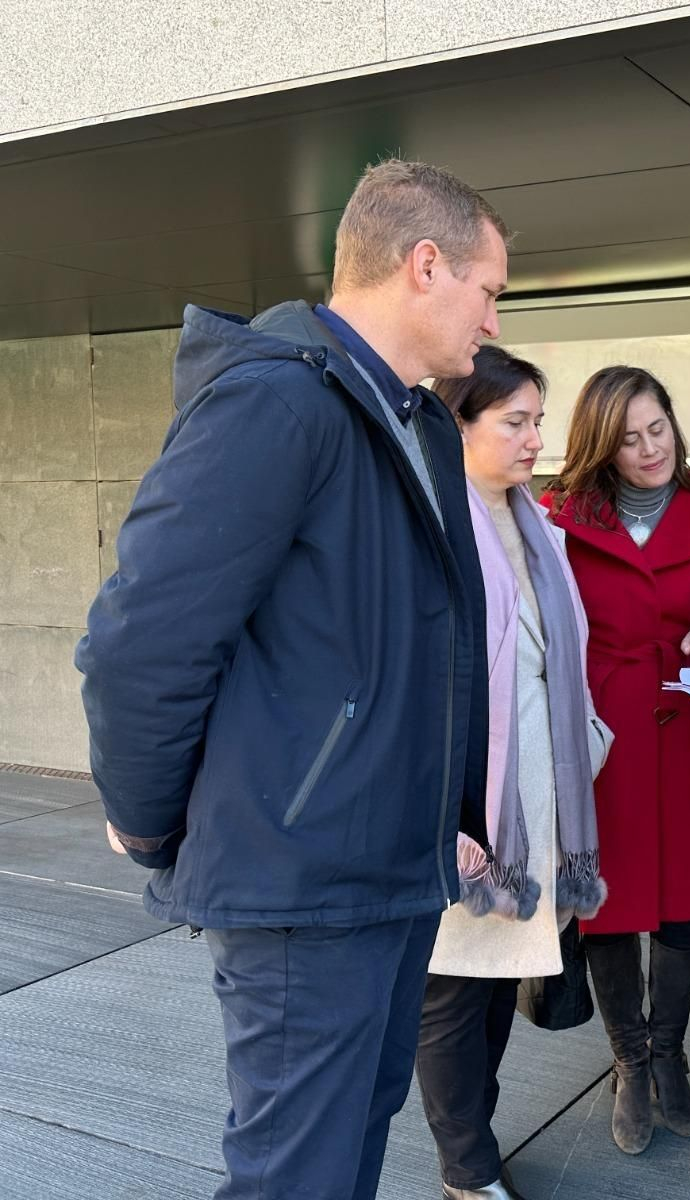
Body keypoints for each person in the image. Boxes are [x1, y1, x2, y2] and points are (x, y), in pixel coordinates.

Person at [75, 159, 507, 1200]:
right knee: (294, 1178)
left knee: (347, 1152)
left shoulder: (417, 426)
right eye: (490, 289)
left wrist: (448, 818)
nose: (494, 320)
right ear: (424, 263)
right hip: (301, 884)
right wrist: (145, 822)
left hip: (391, 874)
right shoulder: (277, 401)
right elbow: (144, 641)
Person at [416, 347, 613, 1200]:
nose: (538, 437)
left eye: (539, 419)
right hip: (467, 805)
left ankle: (475, 1145)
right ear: (458, 424)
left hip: (538, 804)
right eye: (515, 422)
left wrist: (588, 737)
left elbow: (556, 660)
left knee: (499, 988)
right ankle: (466, 1169)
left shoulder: (539, 527)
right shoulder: (428, 529)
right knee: (454, 996)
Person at [541, 365, 690, 1156]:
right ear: (600, 445)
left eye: (657, 428)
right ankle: (628, 1061)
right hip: (601, 734)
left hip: (681, 723)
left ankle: (669, 1052)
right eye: (628, 439)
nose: (649, 448)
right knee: (609, 901)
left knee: (684, 902)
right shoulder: (558, 516)